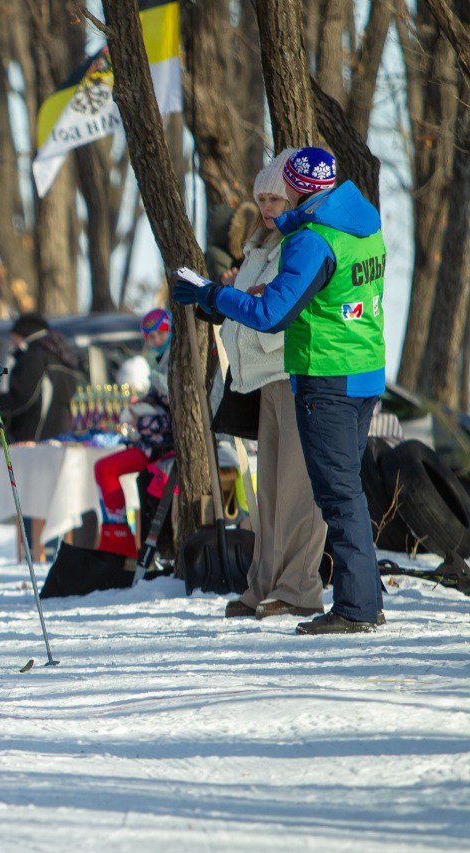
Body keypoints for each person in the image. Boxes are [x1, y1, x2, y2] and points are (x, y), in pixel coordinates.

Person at [174, 146, 387, 635]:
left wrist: (210, 295)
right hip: (363, 369)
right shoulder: (364, 225)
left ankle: (355, 607)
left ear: (298, 190)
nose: (272, 206)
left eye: (280, 193)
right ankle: (364, 600)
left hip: (326, 376)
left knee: (335, 495)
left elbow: (273, 315)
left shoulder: (313, 240)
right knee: (344, 492)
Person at [215, 150, 330, 621]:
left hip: (298, 369)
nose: (266, 206)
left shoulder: (302, 243)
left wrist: (241, 295)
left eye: (275, 197)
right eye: (261, 197)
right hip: (265, 376)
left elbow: (280, 306)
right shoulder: (263, 242)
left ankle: (299, 587)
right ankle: (262, 584)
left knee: (300, 492)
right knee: (270, 493)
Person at [92, 308, 173, 558]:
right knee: (104, 469)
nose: (156, 340)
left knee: (107, 469)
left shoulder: (175, 359)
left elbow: (176, 415)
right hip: (153, 444)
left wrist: (142, 421)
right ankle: (117, 533)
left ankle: (122, 539)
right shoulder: (159, 362)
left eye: (161, 334)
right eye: (150, 336)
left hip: (164, 448)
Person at [0, 312, 83, 444]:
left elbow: (23, 397)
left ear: (23, 333)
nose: (12, 341)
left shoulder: (34, 356)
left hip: (34, 437)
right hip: (60, 434)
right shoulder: (61, 354)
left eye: (13, 336)